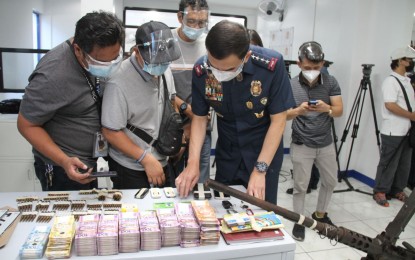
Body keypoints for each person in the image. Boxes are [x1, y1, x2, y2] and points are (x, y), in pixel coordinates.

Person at [175, 20, 294, 204]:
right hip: (228, 153)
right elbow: (199, 118)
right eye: (215, 66)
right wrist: (193, 163)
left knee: (261, 214)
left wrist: (260, 170)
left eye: (229, 68)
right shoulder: (202, 70)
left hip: (262, 153)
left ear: (246, 57)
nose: (219, 73)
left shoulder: (271, 66)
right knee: (225, 210)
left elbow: (279, 120)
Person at [17, 11, 124, 191]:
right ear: (78, 50)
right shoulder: (52, 75)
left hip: (89, 162)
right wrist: (64, 160)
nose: (111, 66)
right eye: (102, 62)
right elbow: (26, 124)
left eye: (115, 58)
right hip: (62, 167)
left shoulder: (97, 53)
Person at [101, 21, 181, 189]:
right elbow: (110, 131)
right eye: (155, 62)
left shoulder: (164, 70)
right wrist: (145, 158)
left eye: (164, 61)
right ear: (136, 51)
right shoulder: (118, 81)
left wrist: (174, 141)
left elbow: (170, 101)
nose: (160, 66)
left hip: (161, 158)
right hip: (131, 166)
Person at [288, 41, 343, 241]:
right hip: (302, 143)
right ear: (299, 63)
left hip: (326, 143)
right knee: (301, 186)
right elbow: (283, 115)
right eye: (308, 67)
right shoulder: (291, 85)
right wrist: (298, 111)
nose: (313, 71)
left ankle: (320, 215)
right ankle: (299, 220)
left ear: (323, 64)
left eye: (317, 67)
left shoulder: (330, 82)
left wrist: (326, 108)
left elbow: (339, 110)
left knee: (330, 181)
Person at [170, 0, 211, 184]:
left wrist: (197, 118)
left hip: (202, 122)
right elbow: (161, 86)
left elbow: (215, 87)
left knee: (200, 179)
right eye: (192, 21)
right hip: (171, 124)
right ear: (180, 17)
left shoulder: (209, 45)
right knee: (173, 178)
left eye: (202, 23)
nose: (196, 27)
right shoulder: (167, 43)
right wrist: (187, 113)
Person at [373, 46, 415, 207]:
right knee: (388, 162)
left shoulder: (406, 81)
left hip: (407, 131)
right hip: (393, 130)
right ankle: (380, 191)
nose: (411, 62)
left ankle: (397, 189)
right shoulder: (391, 81)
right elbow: (390, 105)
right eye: (408, 59)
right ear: (400, 61)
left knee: (404, 163)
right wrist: (411, 116)